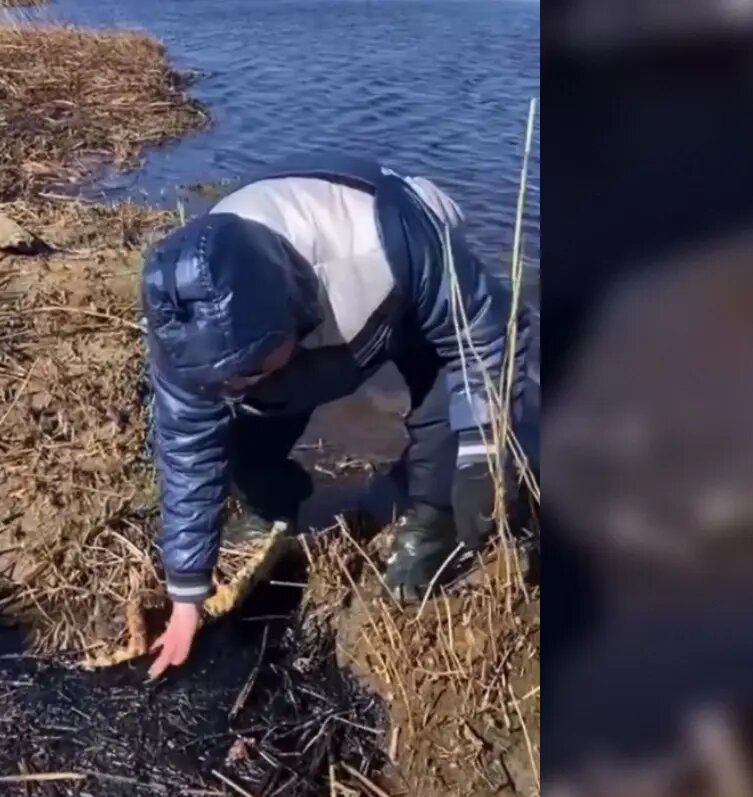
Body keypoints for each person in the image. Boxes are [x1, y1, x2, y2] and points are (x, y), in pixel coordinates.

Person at [140, 154, 534, 678]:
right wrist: (186, 592)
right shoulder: (185, 335)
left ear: (289, 314)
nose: (233, 385)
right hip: (295, 331)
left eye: (247, 368)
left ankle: (432, 527)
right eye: (220, 378)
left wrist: (483, 450)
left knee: (448, 422)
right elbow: (189, 449)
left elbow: (482, 338)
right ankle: (273, 506)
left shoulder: (388, 243)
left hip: (399, 304)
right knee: (241, 429)